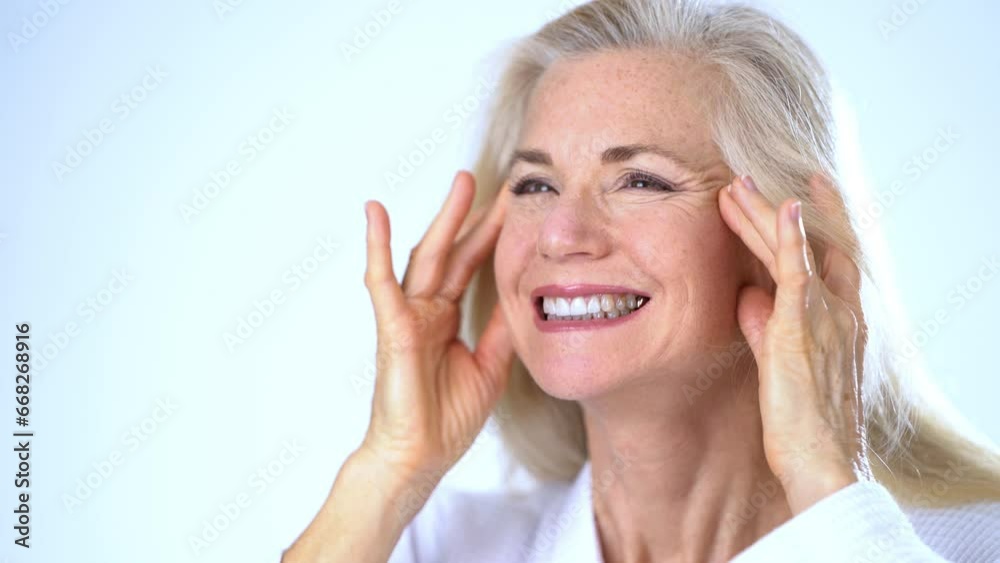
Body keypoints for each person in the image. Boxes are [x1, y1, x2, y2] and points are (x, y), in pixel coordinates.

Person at [283, 0, 1000, 561]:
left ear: (788, 242)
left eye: (640, 180)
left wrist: (826, 480)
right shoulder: (429, 545)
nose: (559, 234)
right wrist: (390, 466)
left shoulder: (978, 541)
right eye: (535, 185)